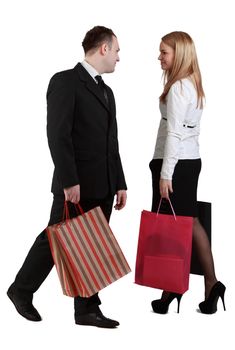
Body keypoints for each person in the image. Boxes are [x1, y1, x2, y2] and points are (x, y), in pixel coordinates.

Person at [7, 26, 127, 328]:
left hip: (104, 183)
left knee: (93, 245)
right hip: (75, 184)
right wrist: (68, 180)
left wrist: (121, 182)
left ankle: (86, 310)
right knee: (55, 239)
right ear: (103, 48)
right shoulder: (65, 82)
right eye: (116, 51)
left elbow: (111, 141)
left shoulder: (107, 91)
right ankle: (20, 290)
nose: (118, 58)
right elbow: (57, 136)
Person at [149, 31, 226, 314]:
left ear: (179, 54)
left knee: (176, 226)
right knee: (186, 223)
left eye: (164, 52)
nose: (159, 57)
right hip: (188, 161)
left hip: (176, 164)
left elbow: (174, 135)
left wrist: (165, 174)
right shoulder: (191, 84)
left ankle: (193, 284)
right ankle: (203, 286)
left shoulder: (180, 88)